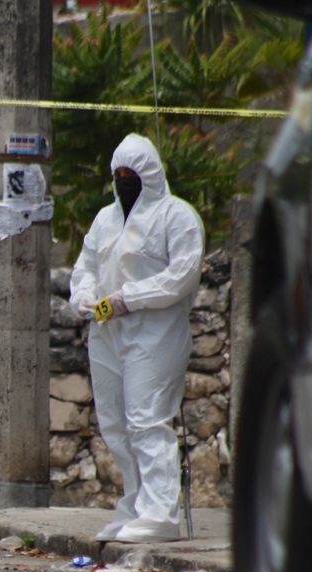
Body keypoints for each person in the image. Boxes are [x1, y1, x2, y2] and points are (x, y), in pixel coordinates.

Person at [69, 133, 204, 543]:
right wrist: (84, 296)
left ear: (151, 174)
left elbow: (182, 276)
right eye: (120, 174)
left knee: (148, 420)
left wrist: (130, 298)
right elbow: (85, 266)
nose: (125, 180)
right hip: (107, 332)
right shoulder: (105, 219)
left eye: (133, 173)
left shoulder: (176, 216)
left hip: (154, 334)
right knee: (116, 425)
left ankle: (161, 513)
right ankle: (134, 507)